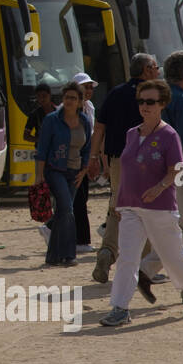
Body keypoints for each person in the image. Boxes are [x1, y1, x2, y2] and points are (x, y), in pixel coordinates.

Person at [98, 79, 183, 327]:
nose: (144, 106)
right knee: (127, 256)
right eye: (141, 101)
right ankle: (120, 307)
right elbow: (126, 171)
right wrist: (117, 200)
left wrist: (159, 187)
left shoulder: (170, 136)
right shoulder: (130, 134)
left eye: (150, 102)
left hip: (160, 208)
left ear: (162, 104)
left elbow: (178, 171)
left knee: (172, 256)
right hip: (130, 206)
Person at [87, 53, 161, 283]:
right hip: (146, 160)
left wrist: (95, 158)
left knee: (117, 207)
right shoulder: (152, 95)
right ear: (147, 69)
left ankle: (107, 253)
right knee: (148, 208)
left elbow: (99, 128)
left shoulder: (115, 93)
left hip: (118, 160)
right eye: (155, 67)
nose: (158, 71)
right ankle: (145, 266)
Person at [141, 52, 183, 290]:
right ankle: (147, 268)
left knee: (179, 226)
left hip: (160, 167)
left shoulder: (159, 96)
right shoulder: (181, 100)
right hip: (181, 168)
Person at [35, 83, 91, 266]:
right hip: (55, 170)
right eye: (67, 97)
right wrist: (39, 175)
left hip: (75, 173)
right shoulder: (52, 120)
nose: (69, 101)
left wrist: (83, 171)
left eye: (73, 98)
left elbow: (87, 149)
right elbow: (42, 149)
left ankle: (52, 257)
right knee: (67, 209)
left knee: (61, 212)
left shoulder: (84, 121)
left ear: (80, 102)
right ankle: (68, 254)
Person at [72, 73, 99, 251]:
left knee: (80, 198)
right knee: (78, 199)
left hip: (86, 157)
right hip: (73, 159)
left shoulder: (89, 107)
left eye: (90, 87)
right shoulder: (69, 108)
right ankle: (81, 241)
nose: (89, 90)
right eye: (85, 87)